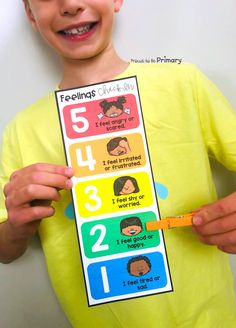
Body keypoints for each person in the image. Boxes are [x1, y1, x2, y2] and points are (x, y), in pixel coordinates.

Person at [0, 0, 236, 327]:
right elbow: (4, 250)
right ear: (30, 14)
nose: (70, 4)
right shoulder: (22, 129)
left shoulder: (183, 82)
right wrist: (15, 226)